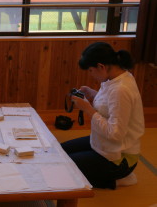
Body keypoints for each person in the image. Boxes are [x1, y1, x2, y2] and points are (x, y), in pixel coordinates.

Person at [61, 42, 145, 189]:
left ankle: (119, 178)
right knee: (59, 151)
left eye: (91, 71)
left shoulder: (121, 89)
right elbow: (110, 106)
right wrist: (93, 94)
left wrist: (88, 109)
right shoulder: (115, 78)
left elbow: (116, 134)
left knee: (64, 170)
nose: (91, 75)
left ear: (101, 66)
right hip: (103, 145)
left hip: (119, 159)